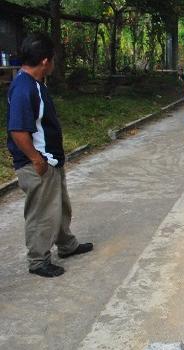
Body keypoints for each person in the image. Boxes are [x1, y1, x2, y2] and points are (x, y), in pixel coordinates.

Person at [7, 32, 93, 278]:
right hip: (38, 163)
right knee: (42, 212)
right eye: (53, 58)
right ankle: (38, 259)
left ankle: (66, 244)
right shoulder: (25, 88)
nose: (54, 62)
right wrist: (36, 159)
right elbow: (18, 130)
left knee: (60, 206)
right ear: (45, 61)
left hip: (51, 160)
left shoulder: (35, 84)